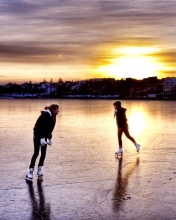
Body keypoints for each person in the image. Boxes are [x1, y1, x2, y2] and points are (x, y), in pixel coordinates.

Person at [25, 104, 59, 181]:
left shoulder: (53, 117)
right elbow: (36, 128)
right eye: (57, 109)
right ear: (53, 110)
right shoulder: (45, 115)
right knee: (36, 153)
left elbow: (49, 129)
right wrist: (41, 138)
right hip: (37, 136)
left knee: (43, 153)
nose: (58, 111)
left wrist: (50, 138)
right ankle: (30, 171)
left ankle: (40, 169)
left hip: (44, 137)